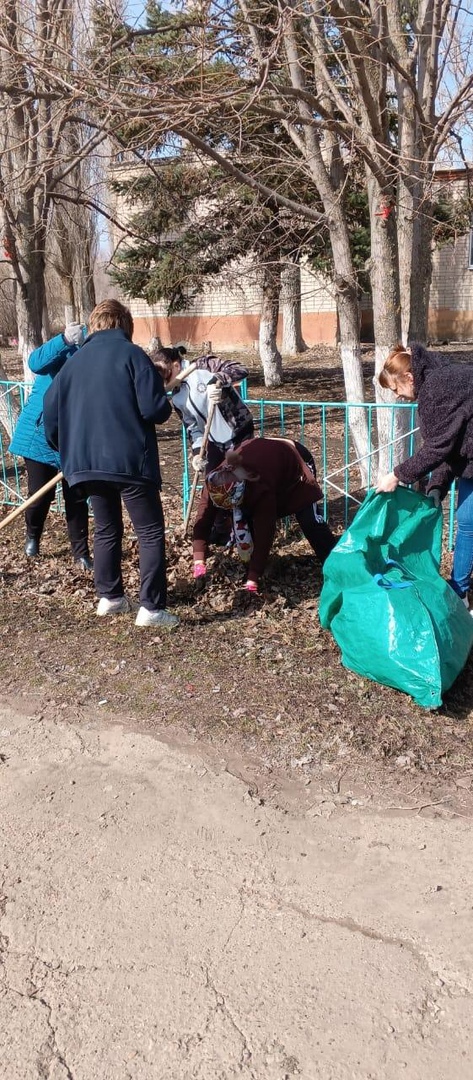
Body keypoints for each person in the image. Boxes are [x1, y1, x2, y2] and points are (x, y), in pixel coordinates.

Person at [43, 299, 178, 629]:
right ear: (125, 324)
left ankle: (110, 597)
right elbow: (154, 410)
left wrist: (66, 449)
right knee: (148, 531)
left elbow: (50, 414)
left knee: (106, 528)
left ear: (95, 324)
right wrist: (162, 396)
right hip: (129, 460)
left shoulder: (73, 364)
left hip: (85, 463)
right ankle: (151, 608)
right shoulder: (133, 356)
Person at [376, 342, 473, 609]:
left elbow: (438, 446)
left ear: (409, 377)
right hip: (470, 461)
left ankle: (460, 590)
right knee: (467, 521)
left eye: (396, 389)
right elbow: (449, 442)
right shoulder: (437, 378)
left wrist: (397, 475)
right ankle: (460, 590)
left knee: (468, 521)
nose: (397, 396)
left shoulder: (436, 387)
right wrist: (436, 488)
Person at [153, 346, 255, 573]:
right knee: (211, 486)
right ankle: (212, 538)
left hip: (238, 433)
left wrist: (219, 381)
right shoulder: (176, 395)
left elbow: (240, 369)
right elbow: (192, 427)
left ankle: (247, 540)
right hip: (214, 441)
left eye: (167, 374)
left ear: (176, 364)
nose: (167, 382)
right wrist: (197, 453)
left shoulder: (204, 365)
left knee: (238, 487)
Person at [200, 436, 337, 592]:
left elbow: (266, 530)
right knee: (246, 515)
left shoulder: (260, 488)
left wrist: (253, 577)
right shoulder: (214, 483)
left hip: (294, 459)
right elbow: (203, 518)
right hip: (266, 462)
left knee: (309, 520)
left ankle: (335, 567)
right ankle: (257, 565)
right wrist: (199, 558)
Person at [8, 324, 92, 568]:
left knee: (76, 496)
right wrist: (64, 340)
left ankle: (80, 553)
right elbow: (34, 362)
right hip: (40, 436)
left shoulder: (93, 353)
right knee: (39, 495)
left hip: (75, 437)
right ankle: (32, 536)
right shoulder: (59, 352)